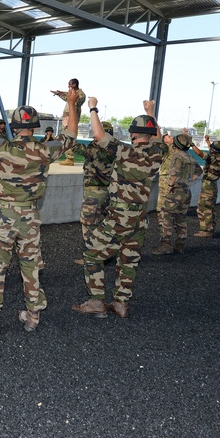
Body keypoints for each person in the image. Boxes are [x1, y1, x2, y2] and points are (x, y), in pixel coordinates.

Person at [0, 84, 76, 336]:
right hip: (30, 216)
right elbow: (70, 135)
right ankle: (33, 316)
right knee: (31, 266)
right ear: (35, 126)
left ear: (13, 126)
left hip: (4, 216)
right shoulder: (44, 150)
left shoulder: (0, 148)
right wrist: (71, 102)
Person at [73, 99, 162, 320]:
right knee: (128, 260)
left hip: (119, 216)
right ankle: (121, 304)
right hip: (140, 218)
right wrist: (150, 113)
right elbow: (158, 137)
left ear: (133, 134)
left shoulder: (126, 152)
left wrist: (93, 108)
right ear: (150, 133)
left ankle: (96, 302)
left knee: (92, 254)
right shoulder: (158, 152)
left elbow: (98, 136)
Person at [68, 119, 120, 265]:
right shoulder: (113, 150)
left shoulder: (95, 150)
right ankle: (107, 253)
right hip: (107, 192)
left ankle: (93, 258)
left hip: (94, 194)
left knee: (89, 225)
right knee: (103, 225)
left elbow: (73, 146)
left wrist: (68, 125)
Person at [153, 133, 199, 255]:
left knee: (166, 215)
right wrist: (188, 179)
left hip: (176, 191)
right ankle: (180, 244)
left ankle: (165, 244)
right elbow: (199, 171)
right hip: (186, 191)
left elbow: (174, 172)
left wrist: (170, 185)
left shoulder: (177, 157)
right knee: (180, 217)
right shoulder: (190, 157)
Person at [189, 135, 220, 238]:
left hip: (208, 186)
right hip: (212, 185)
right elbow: (212, 150)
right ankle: (209, 229)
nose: (210, 150)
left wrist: (192, 143)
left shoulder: (213, 158)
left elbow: (200, 153)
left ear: (214, 151)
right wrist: (208, 141)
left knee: (204, 208)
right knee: (209, 207)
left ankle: (206, 230)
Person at [52, 79, 85, 166]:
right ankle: (67, 157)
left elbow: (75, 100)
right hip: (67, 117)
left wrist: (63, 94)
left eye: (70, 84)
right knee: (65, 136)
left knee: (69, 136)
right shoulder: (71, 93)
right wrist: (59, 93)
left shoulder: (80, 94)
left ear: (75, 84)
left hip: (72, 117)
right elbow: (67, 97)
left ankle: (70, 158)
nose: (68, 86)